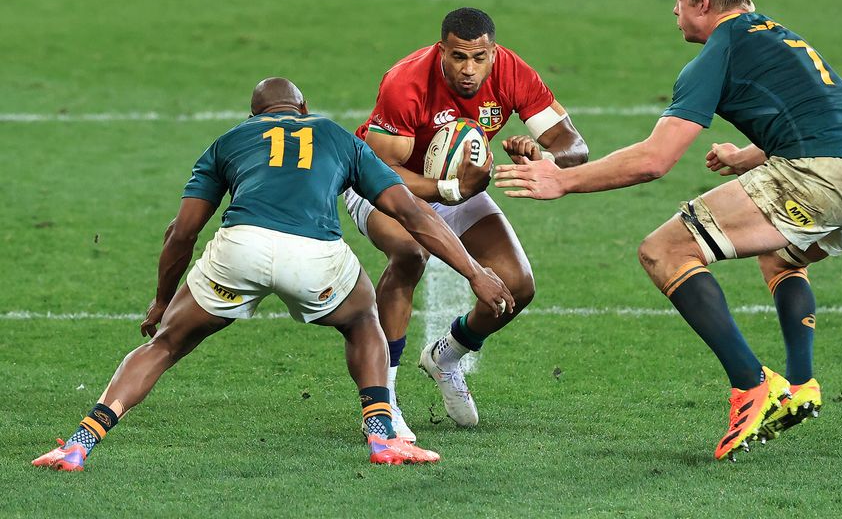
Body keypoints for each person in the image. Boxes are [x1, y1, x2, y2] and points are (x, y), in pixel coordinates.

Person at [493, 0, 842, 461]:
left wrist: (563, 181)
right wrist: (747, 155)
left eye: (679, 0)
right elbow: (819, 115)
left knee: (664, 250)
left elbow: (655, 160)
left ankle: (751, 386)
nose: (675, 10)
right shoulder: (780, 35)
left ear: (704, 3)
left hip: (819, 177)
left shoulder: (718, 53)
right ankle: (800, 385)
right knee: (780, 253)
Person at [32, 77, 514, 471]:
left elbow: (181, 233)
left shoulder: (228, 142)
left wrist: (162, 301)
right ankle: (382, 437)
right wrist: (475, 273)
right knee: (363, 316)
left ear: (253, 116)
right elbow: (414, 214)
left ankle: (79, 442)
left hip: (240, 247)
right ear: (303, 109)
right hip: (315, 255)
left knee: (165, 345)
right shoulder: (335, 135)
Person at [344, 8, 588, 439]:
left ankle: (447, 355)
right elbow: (380, 169)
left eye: (479, 57)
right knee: (408, 253)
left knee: (518, 284)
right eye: (459, 57)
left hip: (458, 185)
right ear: (442, 51)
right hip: (384, 185)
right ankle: (385, 400)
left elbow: (575, 146)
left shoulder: (512, 72)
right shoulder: (406, 82)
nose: (469, 69)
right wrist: (450, 191)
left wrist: (543, 157)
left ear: (493, 52)